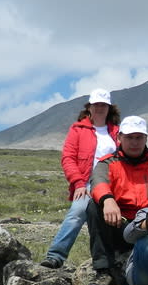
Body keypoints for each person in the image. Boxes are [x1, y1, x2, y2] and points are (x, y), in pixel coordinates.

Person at [86, 115, 148, 285]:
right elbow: (98, 182)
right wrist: (107, 199)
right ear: (119, 137)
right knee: (94, 206)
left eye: (139, 137)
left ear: (146, 138)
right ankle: (104, 271)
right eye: (129, 137)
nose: (134, 142)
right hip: (120, 224)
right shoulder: (108, 162)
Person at [41, 89, 120, 269]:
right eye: (96, 104)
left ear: (109, 108)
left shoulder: (117, 131)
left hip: (113, 185)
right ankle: (55, 256)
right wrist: (78, 183)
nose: (99, 108)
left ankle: (115, 257)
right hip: (87, 184)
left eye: (103, 105)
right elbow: (68, 158)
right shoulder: (78, 129)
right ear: (89, 107)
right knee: (77, 212)